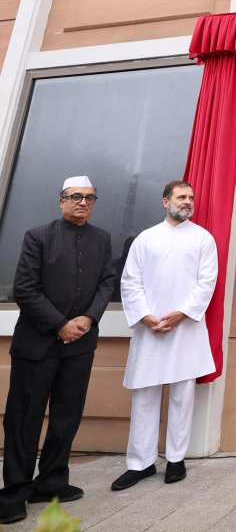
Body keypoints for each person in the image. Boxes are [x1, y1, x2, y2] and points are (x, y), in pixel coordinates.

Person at [0, 176, 115, 524]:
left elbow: (107, 282)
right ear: (61, 200)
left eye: (90, 198)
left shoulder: (102, 239)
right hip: (37, 345)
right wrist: (60, 324)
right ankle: (15, 492)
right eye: (75, 197)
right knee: (25, 418)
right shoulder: (38, 236)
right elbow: (25, 289)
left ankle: (51, 481)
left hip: (80, 345)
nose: (83, 202)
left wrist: (88, 319)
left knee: (67, 416)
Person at [111, 180, 218, 491]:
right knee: (145, 396)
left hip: (185, 329)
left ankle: (175, 460)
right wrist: (146, 317)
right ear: (165, 202)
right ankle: (140, 463)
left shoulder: (203, 239)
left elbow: (206, 282)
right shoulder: (146, 239)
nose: (187, 201)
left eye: (191, 197)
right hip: (150, 330)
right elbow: (130, 282)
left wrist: (181, 314)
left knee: (182, 396)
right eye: (181, 197)